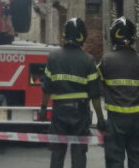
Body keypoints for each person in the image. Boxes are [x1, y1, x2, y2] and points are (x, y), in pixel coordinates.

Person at [41, 18, 106, 168]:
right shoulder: (89, 60)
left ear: (64, 35)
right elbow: (95, 94)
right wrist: (101, 118)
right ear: (83, 36)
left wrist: (43, 108)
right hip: (80, 113)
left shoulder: (53, 58)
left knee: (57, 152)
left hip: (59, 112)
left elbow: (46, 88)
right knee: (79, 153)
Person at [98, 17, 139, 168]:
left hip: (116, 120)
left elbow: (98, 86)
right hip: (138, 120)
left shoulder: (107, 61)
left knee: (115, 161)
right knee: (137, 161)